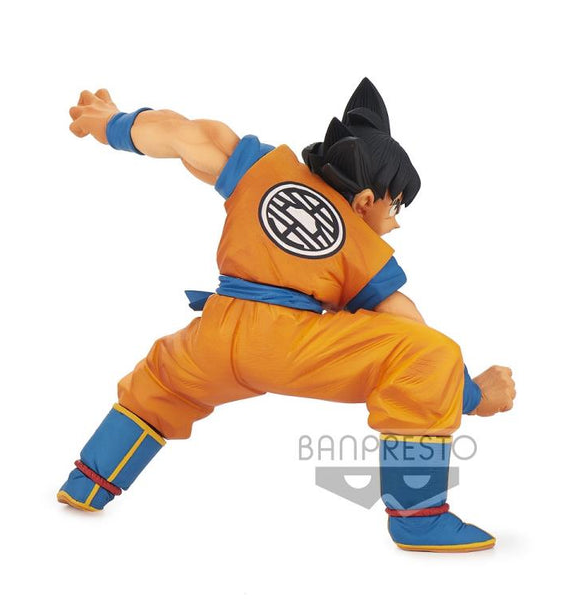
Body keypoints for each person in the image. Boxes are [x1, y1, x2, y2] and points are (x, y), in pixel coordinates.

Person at [58, 78, 516, 553]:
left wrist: (111, 124)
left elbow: (184, 135)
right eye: (395, 205)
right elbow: (406, 324)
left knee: (160, 383)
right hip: (286, 346)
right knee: (430, 353)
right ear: (365, 200)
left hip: (216, 332)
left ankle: (88, 482)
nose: (395, 221)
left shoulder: (265, 169)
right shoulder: (364, 248)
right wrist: (473, 395)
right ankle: (419, 520)